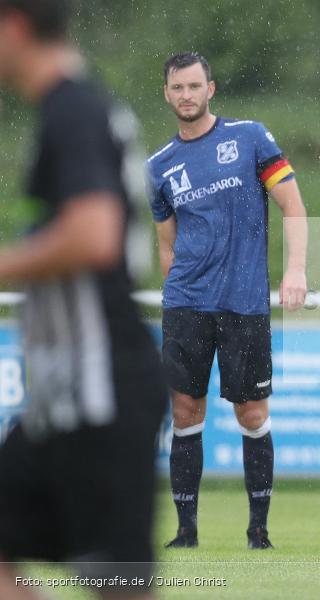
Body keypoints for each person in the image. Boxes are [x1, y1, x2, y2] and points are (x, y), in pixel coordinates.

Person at [0, 1, 167, 598]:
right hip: (64, 397)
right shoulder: (72, 106)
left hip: (104, 394)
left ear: (14, 27)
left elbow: (92, 234)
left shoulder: (72, 108)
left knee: (117, 586)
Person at [146, 52, 309, 550]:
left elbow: (294, 208)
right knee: (184, 412)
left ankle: (258, 529)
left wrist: (296, 270)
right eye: (178, 88)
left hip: (243, 303)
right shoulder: (158, 167)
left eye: (195, 86)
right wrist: (178, 295)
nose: (187, 95)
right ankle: (185, 532)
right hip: (187, 304)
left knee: (252, 415)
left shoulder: (250, 138)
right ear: (167, 93)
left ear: (210, 89)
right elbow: (167, 244)